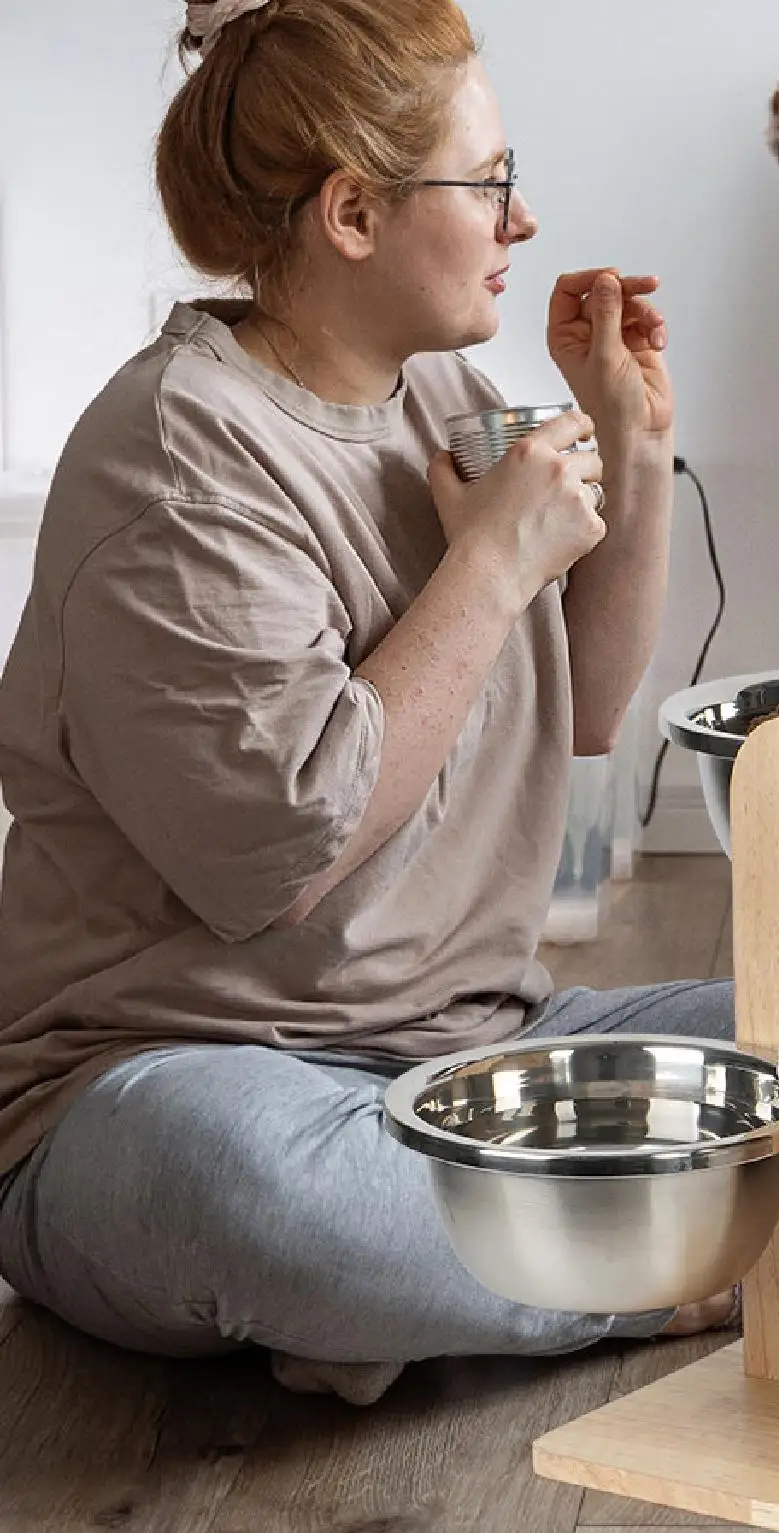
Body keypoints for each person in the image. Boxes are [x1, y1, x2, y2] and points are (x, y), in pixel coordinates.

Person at [0, 0, 735, 1406]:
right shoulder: (174, 461)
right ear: (351, 211)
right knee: (263, 1199)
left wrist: (635, 451)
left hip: (475, 1055)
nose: (521, 222)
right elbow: (278, 855)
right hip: (182, 1088)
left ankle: (460, 1287)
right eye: (492, 181)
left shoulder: (440, 394)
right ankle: (639, 1264)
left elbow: (577, 709)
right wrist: (491, 559)